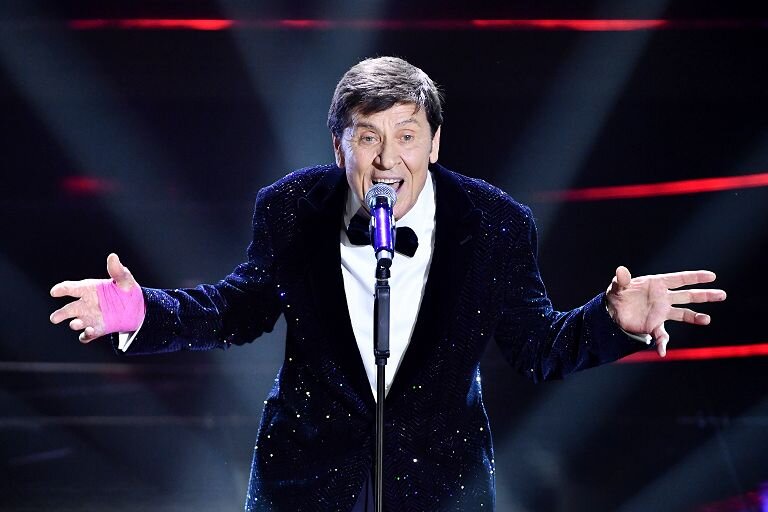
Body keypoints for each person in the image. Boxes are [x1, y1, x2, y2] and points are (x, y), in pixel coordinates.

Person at [49, 57, 726, 511]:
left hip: (441, 485)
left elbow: (537, 346)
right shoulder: (291, 209)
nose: (386, 159)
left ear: (434, 143)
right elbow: (235, 309)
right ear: (338, 146)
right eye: (367, 137)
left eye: (406, 135)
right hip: (306, 480)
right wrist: (142, 311)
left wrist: (610, 320)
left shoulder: (495, 223)